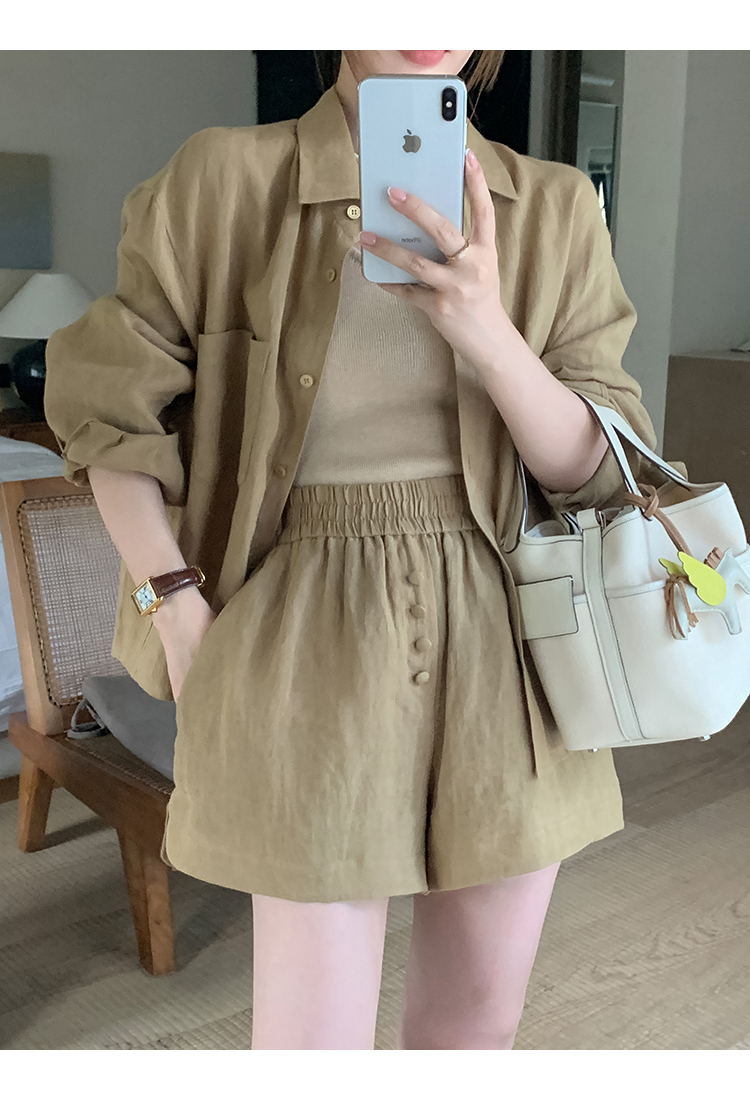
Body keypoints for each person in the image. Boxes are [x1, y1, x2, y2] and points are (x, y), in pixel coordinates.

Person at [44, 50, 667, 1050]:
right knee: (312, 1045)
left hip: (509, 643)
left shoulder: (553, 207)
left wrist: (488, 331)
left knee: (473, 1032)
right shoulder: (223, 180)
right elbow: (105, 414)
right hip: (299, 636)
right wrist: (176, 607)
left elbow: (598, 469)